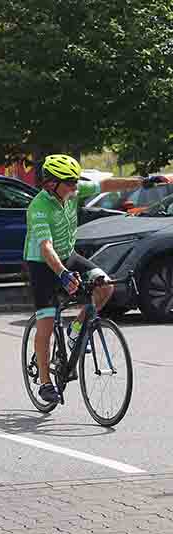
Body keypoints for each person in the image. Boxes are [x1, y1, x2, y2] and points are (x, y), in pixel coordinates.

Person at [24, 154, 164, 403]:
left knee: (104, 286)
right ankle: (45, 383)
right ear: (51, 183)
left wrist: (142, 182)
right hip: (42, 263)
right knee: (45, 322)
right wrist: (63, 275)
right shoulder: (38, 207)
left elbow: (107, 184)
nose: (75, 187)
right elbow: (45, 247)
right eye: (69, 183)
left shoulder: (71, 190)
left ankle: (76, 329)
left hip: (68, 254)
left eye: (75, 182)